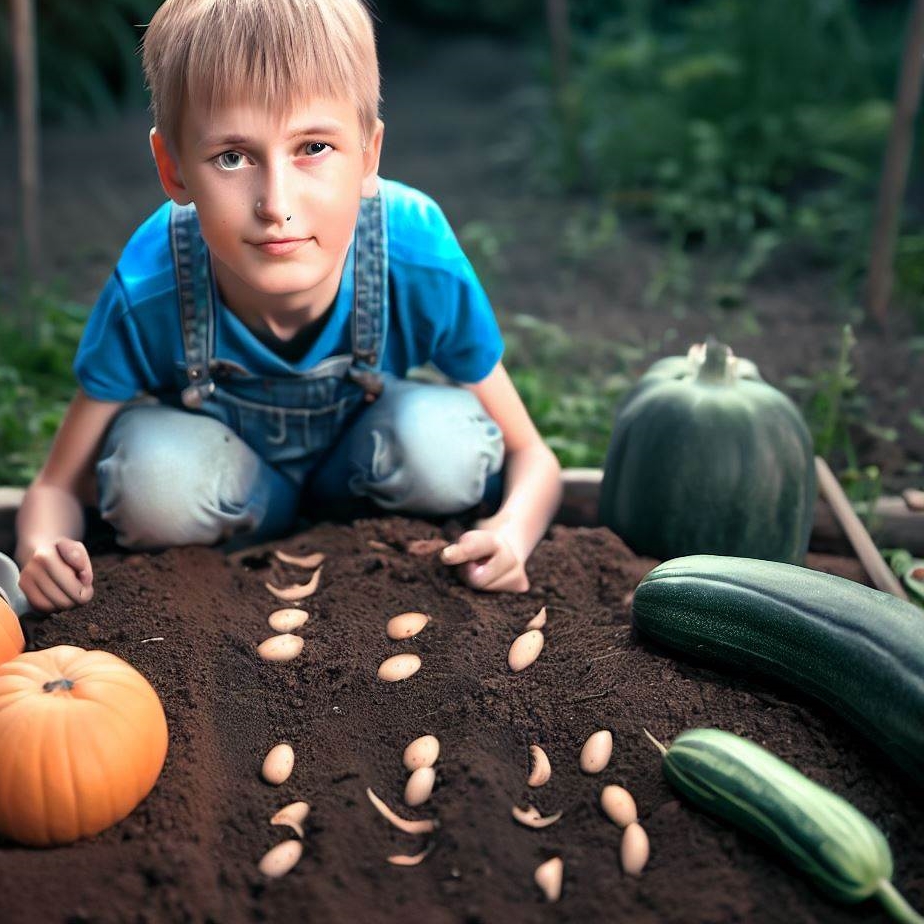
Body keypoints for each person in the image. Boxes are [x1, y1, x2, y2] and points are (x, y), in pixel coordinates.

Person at [8, 0, 562, 614]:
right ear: (173, 169)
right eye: (232, 157)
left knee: (442, 445)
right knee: (153, 478)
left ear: (370, 153)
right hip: (225, 491)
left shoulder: (413, 250)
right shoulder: (152, 282)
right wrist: (42, 547)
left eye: (314, 147)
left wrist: (512, 533)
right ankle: (255, 529)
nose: (276, 203)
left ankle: (337, 527)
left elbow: (532, 454)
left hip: (363, 472)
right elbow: (56, 485)